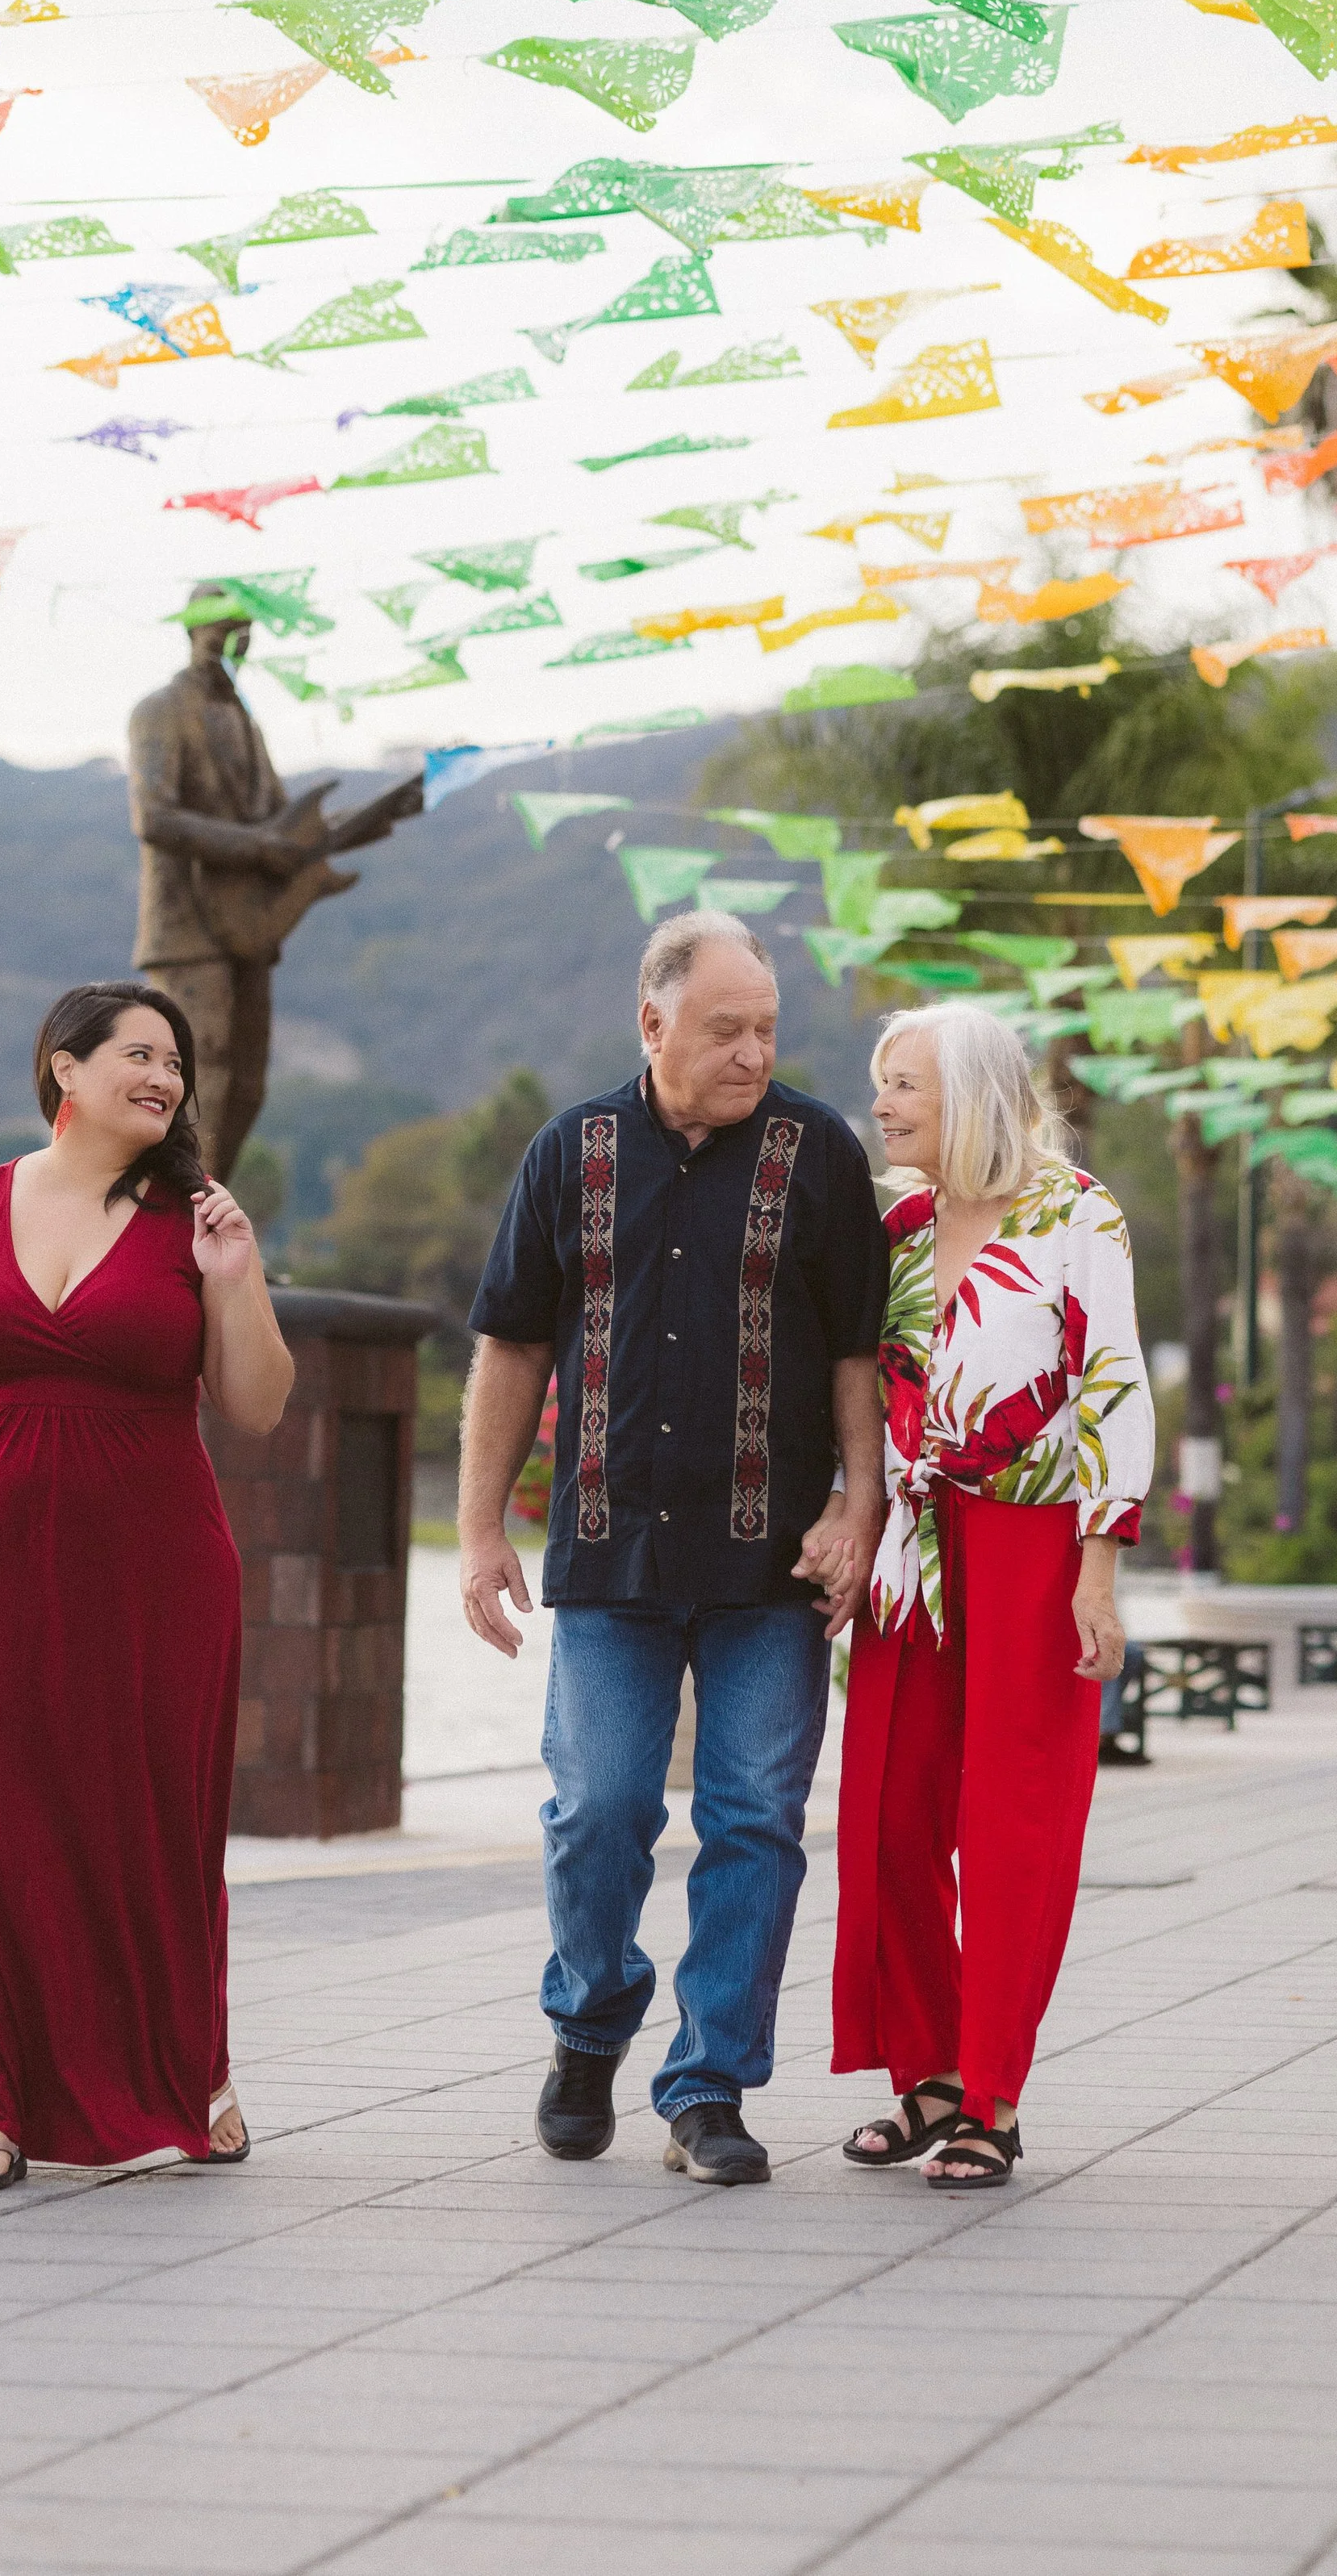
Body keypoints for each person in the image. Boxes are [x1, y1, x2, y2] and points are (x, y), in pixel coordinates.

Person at [0, 983, 293, 2189]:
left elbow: (257, 1404)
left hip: (155, 1569)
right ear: (63, 1071)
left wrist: (234, 1280)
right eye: (139, 1053)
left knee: (147, 1825)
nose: (166, 1077)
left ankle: (191, 2075)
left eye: (175, 1061)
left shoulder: (200, 1214)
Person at [460, 911, 888, 2186]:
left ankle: (709, 2086)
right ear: (652, 1024)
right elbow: (511, 1344)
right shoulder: (570, 1151)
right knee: (600, 1808)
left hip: (774, 1565)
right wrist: (481, 1526)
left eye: (767, 1028)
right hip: (607, 1552)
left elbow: (860, 1350)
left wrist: (859, 1505)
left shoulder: (818, 1153)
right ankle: (588, 2026)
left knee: (756, 1818)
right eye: (726, 1028)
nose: (754, 1051)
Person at [804, 1003, 1153, 2192]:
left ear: (975, 1095)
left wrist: (1099, 1567)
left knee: (1012, 1822)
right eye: (880, 1081)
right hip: (912, 1542)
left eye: (905, 1084)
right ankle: (928, 2074)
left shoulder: (1074, 1212)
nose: (884, 1103)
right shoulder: (895, 1222)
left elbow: (1114, 1384)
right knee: (893, 1809)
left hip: (1035, 1544)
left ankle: (993, 2097)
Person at [127, 589, 421, 1175]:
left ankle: (208, 1210)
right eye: (219, 634)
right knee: (196, 1075)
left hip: (250, 927)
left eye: (242, 636)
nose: (230, 647)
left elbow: (283, 821)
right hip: (189, 927)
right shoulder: (160, 709)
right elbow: (153, 816)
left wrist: (378, 814)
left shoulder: (243, 720)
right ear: (191, 632)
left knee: (245, 1084)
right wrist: (259, 847)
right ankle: (176, 1224)